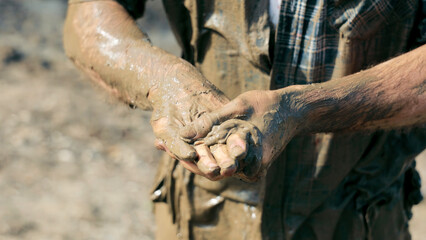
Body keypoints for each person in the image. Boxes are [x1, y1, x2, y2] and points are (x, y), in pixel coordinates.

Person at [64, 0, 426, 239]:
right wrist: (162, 81)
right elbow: (87, 13)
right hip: (200, 217)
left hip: (361, 217)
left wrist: (302, 109)